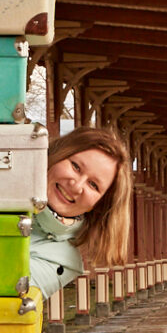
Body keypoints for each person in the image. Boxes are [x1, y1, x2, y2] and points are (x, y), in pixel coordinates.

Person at [29, 127, 132, 299]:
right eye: (76, 167)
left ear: (98, 205)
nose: (76, 186)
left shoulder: (62, 262)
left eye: (93, 185)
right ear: (56, 155)